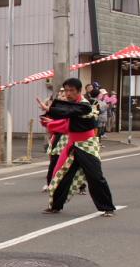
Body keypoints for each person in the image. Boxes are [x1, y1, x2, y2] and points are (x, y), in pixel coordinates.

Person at [40, 78, 116, 216]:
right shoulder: (71, 106)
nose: (68, 93)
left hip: (87, 145)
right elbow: (66, 122)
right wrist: (51, 121)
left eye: (71, 91)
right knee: (61, 175)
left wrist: (51, 110)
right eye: (66, 90)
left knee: (95, 177)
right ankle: (55, 205)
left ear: (79, 91)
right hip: (72, 145)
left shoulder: (85, 105)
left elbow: (72, 113)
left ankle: (107, 207)